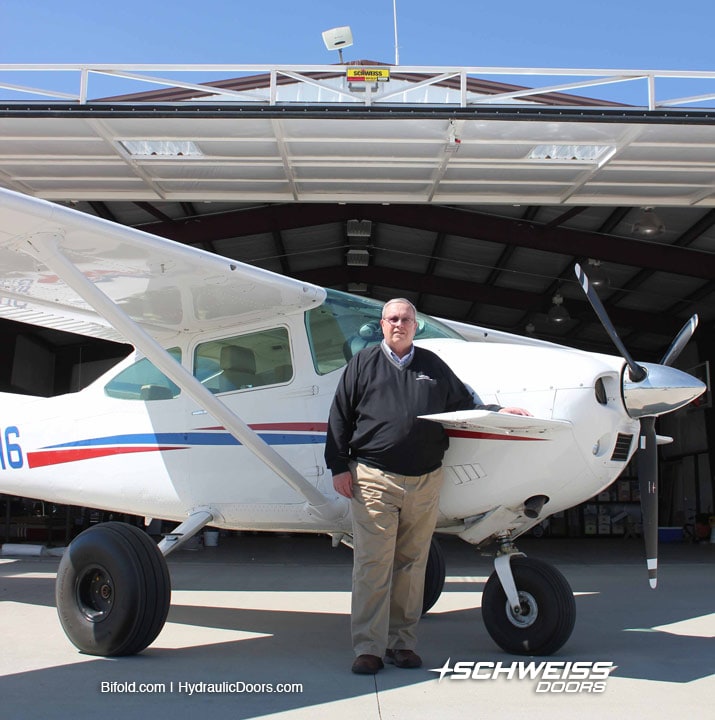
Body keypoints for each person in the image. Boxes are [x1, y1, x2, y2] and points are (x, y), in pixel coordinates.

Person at [324, 298, 530, 675]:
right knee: (373, 564)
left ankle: (402, 644)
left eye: (405, 319)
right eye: (392, 319)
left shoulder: (432, 366)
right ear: (382, 325)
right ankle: (368, 647)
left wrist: (500, 412)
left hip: (425, 481)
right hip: (374, 478)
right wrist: (338, 465)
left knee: (412, 564)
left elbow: (464, 401)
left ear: (415, 326)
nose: (398, 324)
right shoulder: (363, 364)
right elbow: (340, 413)